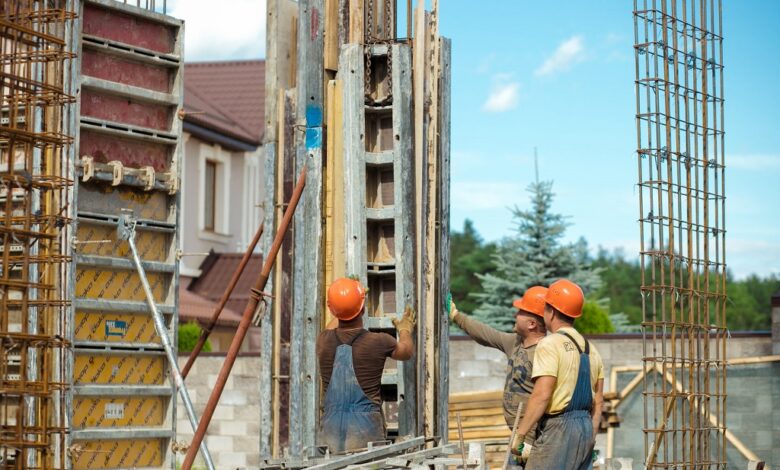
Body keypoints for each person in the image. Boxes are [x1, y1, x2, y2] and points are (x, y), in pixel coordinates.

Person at [316, 277, 416, 453]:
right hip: (364, 431)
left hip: (329, 432)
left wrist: (347, 305)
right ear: (362, 308)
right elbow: (407, 352)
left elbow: (332, 327)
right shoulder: (379, 341)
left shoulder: (323, 341)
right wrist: (405, 329)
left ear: (332, 309)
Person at [512, 279, 604, 469]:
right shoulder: (592, 350)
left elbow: (542, 395)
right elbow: (599, 402)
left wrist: (520, 434)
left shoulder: (550, 344)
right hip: (585, 429)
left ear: (551, 312)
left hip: (558, 430)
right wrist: (590, 438)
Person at [449, 287, 548, 436]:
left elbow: (544, 397)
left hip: (534, 437)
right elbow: (486, 334)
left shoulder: (547, 352)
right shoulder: (515, 342)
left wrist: (526, 437)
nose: (516, 314)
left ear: (532, 324)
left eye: (521, 312)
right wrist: (456, 315)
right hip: (519, 434)